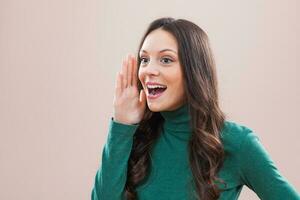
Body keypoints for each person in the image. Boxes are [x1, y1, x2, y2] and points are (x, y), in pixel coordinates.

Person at [91, 17, 300, 200]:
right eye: (144, 60)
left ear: (194, 70)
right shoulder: (134, 136)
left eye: (166, 60)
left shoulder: (237, 144)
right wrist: (121, 125)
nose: (148, 71)